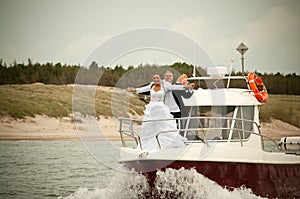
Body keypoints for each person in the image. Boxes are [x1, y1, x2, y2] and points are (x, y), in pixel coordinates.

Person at [126, 73, 189, 151]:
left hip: (161, 108)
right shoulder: (151, 85)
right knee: (149, 127)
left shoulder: (165, 85)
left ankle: (164, 145)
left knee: (164, 126)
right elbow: (143, 89)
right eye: (154, 78)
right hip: (151, 108)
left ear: (160, 78)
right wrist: (134, 90)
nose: (156, 79)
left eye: (157, 78)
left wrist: (185, 87)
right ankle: (147, 146)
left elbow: (174, 87)